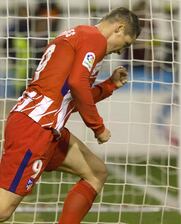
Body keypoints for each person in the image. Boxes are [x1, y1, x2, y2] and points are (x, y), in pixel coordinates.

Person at [0, 7, 141, 223]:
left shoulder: (80, 35)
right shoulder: (95, 39)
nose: (121, 51)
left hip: (46, 127)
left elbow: (72, 95)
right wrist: (98, 127)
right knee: (3, 210)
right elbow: (77, 84)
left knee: (96, 173)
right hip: (36, 127)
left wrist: (110, 85)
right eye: (126, 43)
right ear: (119, 28)